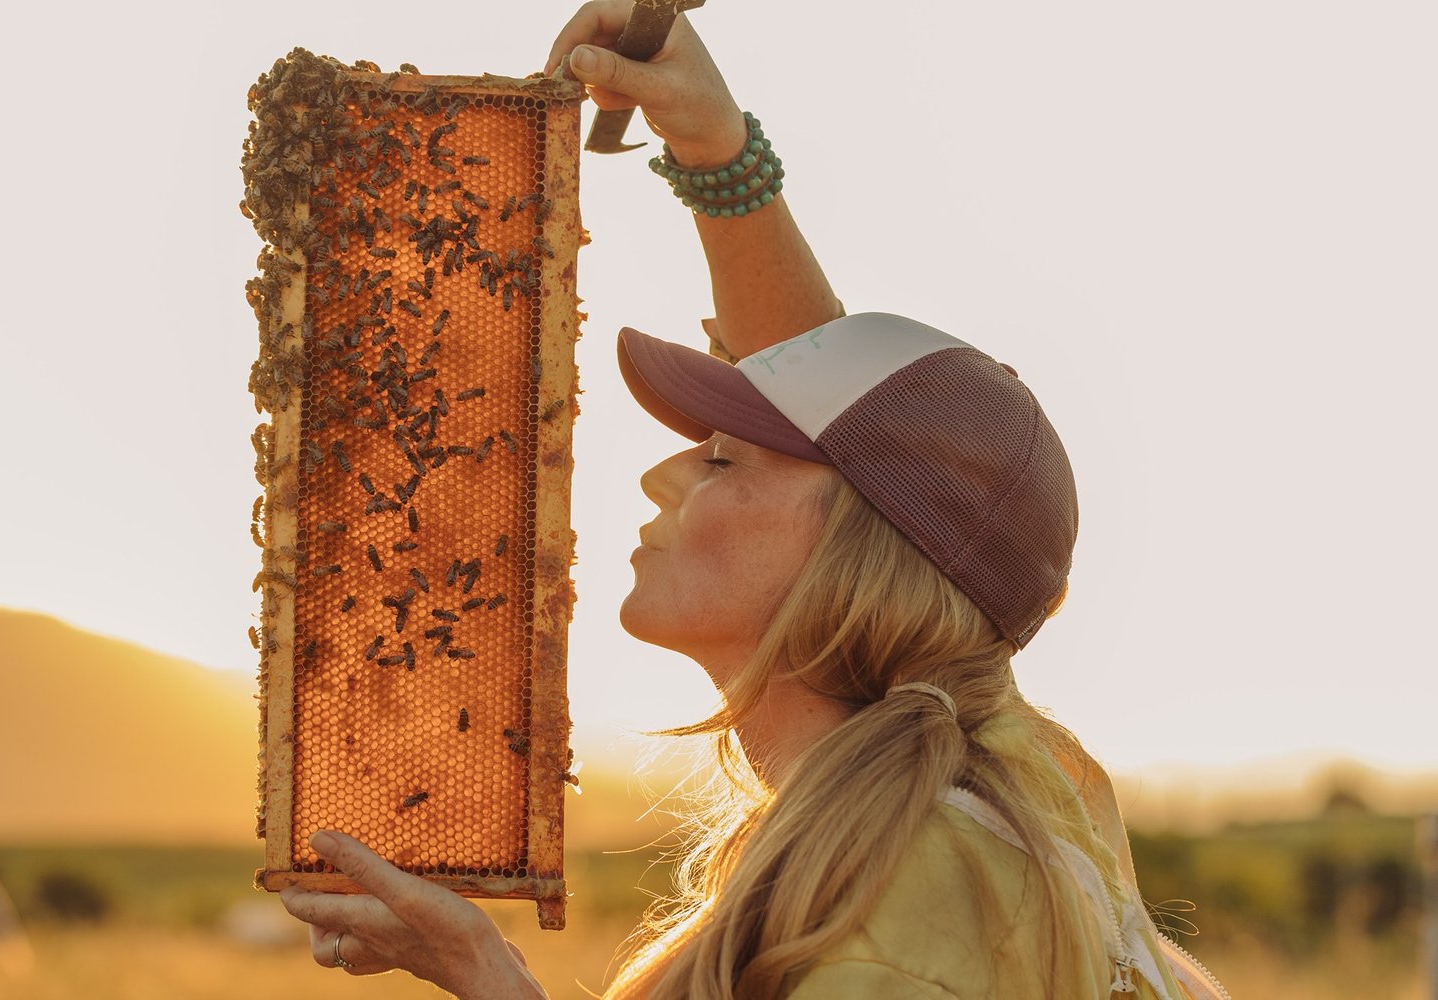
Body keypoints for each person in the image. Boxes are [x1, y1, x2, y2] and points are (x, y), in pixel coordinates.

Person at [280, 4, 1230, 998]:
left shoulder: (912, 912)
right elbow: (857, 434)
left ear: (859, 554)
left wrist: (490, 980)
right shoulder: (1002, 802)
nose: (663, 474)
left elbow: (862, 446)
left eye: (725, 459)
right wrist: (712, 146)